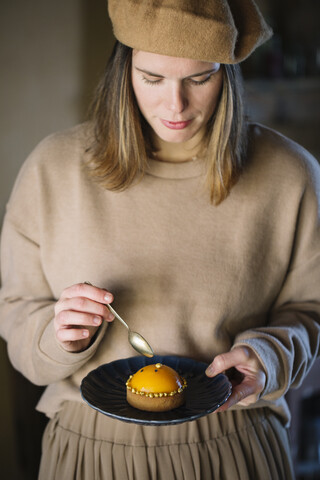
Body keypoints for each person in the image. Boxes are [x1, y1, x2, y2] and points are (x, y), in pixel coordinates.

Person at [0, 1, 319, 479]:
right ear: (122, 68)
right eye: (152, 78)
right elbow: (18, 314)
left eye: (199, 78)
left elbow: (310, 311)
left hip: (235, 448)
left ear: (227, 74)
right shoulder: (52, 168)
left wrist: (269, 356)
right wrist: (59, 335)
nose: (176, 106)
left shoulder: (292, 174)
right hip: (89, 453)